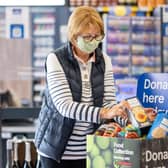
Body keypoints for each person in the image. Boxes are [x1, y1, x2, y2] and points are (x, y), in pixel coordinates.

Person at [34, 6, 129, 168]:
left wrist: (125, 115)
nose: (93, 41)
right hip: (57, 151)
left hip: (92, 150)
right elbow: (65, 107)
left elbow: (108, 102)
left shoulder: (104, 60)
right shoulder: (56, 59)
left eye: (97, 36)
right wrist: (105, 112)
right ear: (73, 36)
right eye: (87, 37)